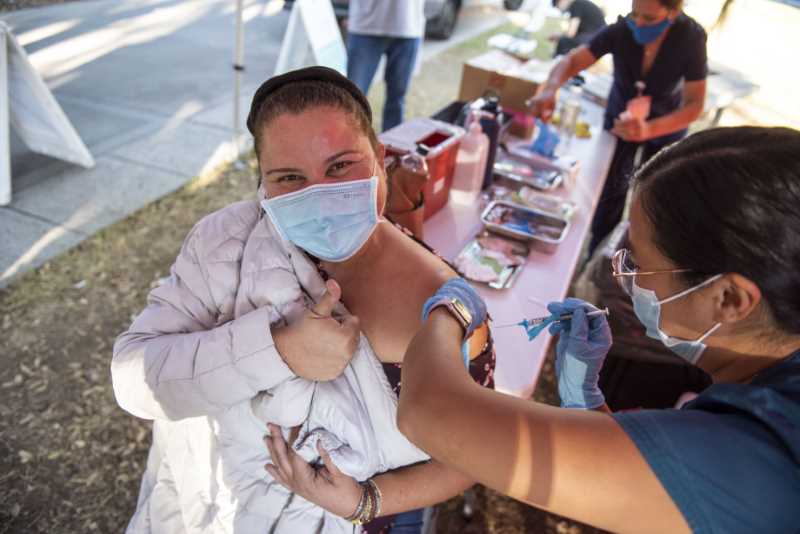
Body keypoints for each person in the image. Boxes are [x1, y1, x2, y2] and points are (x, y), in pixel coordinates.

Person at [111, 66, 495, 533]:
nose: (321, 195)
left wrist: (365, 502)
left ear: (379, 156)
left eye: (340, 166)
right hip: (207, 502)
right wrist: (280, 350)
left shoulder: (442, 304)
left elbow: (477, 451)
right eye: (289, 177)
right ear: (264, 186)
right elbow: (134, 379)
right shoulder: (222, 246)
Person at [397, 126, 800, 533]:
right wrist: (587, 404)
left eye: (640, 263)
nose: (623, 272)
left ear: (729, 299)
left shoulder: (748, 462)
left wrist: (450, 306)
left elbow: (429, 413)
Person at [529, 0, 707, 256]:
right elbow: (570, 62)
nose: (638, 23)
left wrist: (648, 130)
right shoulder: (623, 29)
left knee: (655, 201)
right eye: (635, 13)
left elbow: (694, 105)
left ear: (673, 12)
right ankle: (598, 256)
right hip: (619, 124)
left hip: (664, 127)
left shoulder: (691, 37)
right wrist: (549, 90)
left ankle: (640, 261)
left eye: (648, 18)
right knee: (610, 193)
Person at [346, 0, 426, 131]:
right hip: (365, 26)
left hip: (409, 25)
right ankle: (348, 146)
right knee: (353, 99)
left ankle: (392, 147)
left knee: (397, 99)